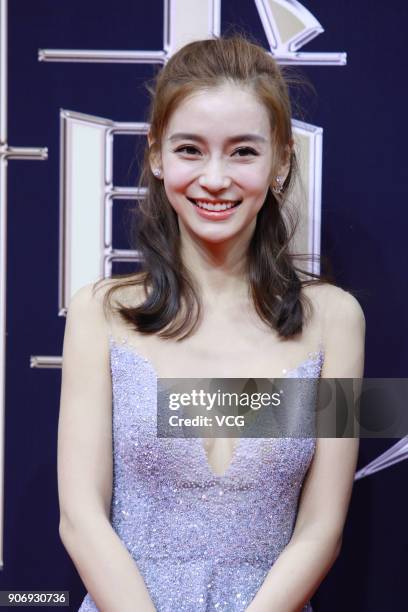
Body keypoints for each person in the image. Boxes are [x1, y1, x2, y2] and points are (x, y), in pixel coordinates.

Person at [57, 35, 365, 612]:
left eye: (243, 152)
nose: (216, 178)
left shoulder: (337, 321)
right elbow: (79, 517)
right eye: (190, 149)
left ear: (280, 159)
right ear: (156, 155)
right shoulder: (100, 314)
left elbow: (323, 528)